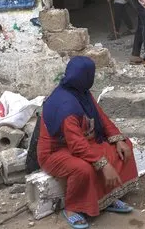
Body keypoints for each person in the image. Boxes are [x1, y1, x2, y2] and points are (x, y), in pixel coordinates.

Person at [37, 56, 138, 229]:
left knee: (123, 146)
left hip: (80, 142)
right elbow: (76, 145)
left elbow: (101, 117)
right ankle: (73, 208)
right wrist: (104, 164)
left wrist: (117, 138)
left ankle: (107, 198)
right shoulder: (66, 105)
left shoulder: (81, 92)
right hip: (55, 152)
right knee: (84, 168)